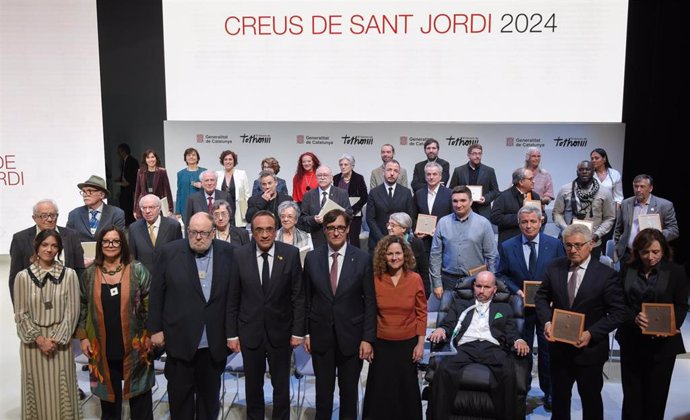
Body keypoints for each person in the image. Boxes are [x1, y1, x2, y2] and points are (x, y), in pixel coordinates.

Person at [535, 223, 627, 420]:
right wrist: (547, 322)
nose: (572, 250)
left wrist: (591, 333)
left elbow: (618, 312)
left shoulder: (606, 274)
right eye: (568, 245)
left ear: (590, 244)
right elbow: (541, 297)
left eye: (578, 245)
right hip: (559, 348)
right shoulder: (554, 267)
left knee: (591, 400)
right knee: (559, 400)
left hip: (590, 350)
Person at [148, 212, 235, 419]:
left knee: (209, 402)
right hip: (179, 340)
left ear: (213, 232)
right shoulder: (169, 252)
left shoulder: (230, 253)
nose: (198, 237)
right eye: (193, 232)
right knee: (180, 401)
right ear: (187, 231)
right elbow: (156, 293)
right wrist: (155, 329)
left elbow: (235, 296)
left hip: (213, 342)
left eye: (203, 233)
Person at [227, 210, 305, 420]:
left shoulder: (290, 254)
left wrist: (298, 331)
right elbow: (233, 297)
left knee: (281, 386)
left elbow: (298, 296)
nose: (264, 234)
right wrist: (232, 334)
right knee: (253, 386)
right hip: (250, 333)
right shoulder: (239, 255)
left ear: (275, 230)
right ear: (251, 232)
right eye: (259, 230)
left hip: (281, 332)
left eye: (269, 229)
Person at [303, 209, 376, 420]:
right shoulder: (312, 258)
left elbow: (370, 301)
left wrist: (367, 338)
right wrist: (306, 333)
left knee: (349, 394)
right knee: (323, 395)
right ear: (324, 230)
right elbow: (307, 298)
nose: (336, 233)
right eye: (332, 228)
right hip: (320, 336)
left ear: (348, 229)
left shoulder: (362, 259)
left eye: (341, 228)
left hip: (352, 337)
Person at [427, 271, 530, 420]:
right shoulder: (461, 304)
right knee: (444, 370)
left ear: (494, 289)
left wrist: (518, 340)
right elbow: (448, 324)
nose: (481, 291)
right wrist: (441, 330)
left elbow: (511, 332)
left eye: (487, 287)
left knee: (508, 373)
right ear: (473, 286)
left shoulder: (504, 308)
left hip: (492, 347)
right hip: (465, 347)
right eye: (478, 286)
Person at [76, 226, 155, 419]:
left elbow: (150, 303)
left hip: (136, 345)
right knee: (109, 403)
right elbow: (82, 305)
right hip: (102, 346)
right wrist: (83, 337)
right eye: (106, 241)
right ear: (100, 244)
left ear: (122, 244)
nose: (110, 245)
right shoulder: (90, 273)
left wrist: (151, 334)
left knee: (140, 398)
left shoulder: (137, 269)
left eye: (115, 241)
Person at [496, 205, 565, 410]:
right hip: (520, 309)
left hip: (547, 309)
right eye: (524, 222)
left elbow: (562, 273)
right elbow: (501, 274)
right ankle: (520, 391)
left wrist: (555, 295)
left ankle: (549, 392)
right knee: (520, 352)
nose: (529, 226)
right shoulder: (508, 246)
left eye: (533, 221)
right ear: (519, 223)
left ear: (541, 222)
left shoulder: (554, 245)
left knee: (548, 352)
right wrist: (517, 290)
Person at [616, 228, 688, 420]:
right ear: (637, 252)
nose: (650, 257)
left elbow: (681, 305)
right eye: (645, 252)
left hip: (662, 346)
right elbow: (619, 303)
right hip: (632, 341)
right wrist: (633, 318)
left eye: (655, 252)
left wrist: (671, 325)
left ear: (664, 250)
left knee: (656, 397)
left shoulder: (675, 272)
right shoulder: (627, 270)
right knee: (631, 397)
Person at [14, 229, 81, 419]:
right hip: (33, 346)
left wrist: (56, 339)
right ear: (36, 247)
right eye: (45, 245)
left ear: (59, 249)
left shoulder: (69, 275)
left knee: (62, 388)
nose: (49, 249)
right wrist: (40, 339)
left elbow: (72, 312)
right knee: (36, 389)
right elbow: (20, 314)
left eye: (54, 246)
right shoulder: (22, 277)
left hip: (60, 344)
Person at [362, 235, 427, 420]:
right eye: (389, 254)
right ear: (383, 256)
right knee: (379, 391)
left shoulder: (415, 279)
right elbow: (369, 311)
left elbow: (422, 313)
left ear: (405, 255)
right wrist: (367, 340)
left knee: (406, 390)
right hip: (381, 344)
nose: (394, 257)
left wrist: (420, 343)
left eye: (398, 253)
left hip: (407, 344)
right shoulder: (375, 279)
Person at [9, 199, 85, 306]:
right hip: (33, 304)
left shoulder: (71, 236)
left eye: (53, 215)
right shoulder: (20, 239)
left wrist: (81, 304)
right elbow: (15, 278)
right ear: (34, 218)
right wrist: (19, 310)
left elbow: (80, 271)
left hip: (68, 302)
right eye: (44, 216)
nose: (49, 219)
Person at [429, 186, 498, 299]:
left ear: (471, 201)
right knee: (448, 315)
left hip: (475, 281)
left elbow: (492, 256)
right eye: (455, 201)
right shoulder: (443, 222)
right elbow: (435, 255)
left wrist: (491, 283)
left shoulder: (483, 224)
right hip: (448, 281)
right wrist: (437, 283)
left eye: (463, 200)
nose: (458, 204)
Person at [552, 160, 615, 258]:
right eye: (581, 170)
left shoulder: (605, 192)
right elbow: (557, 213)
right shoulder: (565, 189)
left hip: (592, 242)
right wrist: (566, 229)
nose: (584, 172)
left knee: (591, 272)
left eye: (587, 169)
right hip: (568, 242)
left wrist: (597, 234)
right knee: (565, 271)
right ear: (577, 172)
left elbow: (609, 218)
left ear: (593, 171)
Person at [613, 174, 679, 263]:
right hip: (627, 254)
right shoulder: (625, 203)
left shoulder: (664, 205)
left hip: (650, 255)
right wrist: (618, 246)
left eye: (642, 187)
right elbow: (618, 229)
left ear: (650, 188)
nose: (638, 190)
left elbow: (674, 230)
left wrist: (656, 237)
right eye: (636, 186)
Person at [365, 159, 416, 251]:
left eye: (395, 171)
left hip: (400, 242)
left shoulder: (406, 193)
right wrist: (383, 239)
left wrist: (399, 236)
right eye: (389, 170)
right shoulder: (374, 193)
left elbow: (410, 217)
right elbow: (370, 219)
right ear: (384, 172)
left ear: (399, 174)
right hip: (377, 242)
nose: (392, 173)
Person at [298, 165, 352, 247]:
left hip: (337, 237)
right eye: (319, 175)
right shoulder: (308, 195)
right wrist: (314, 219)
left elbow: (349, 215)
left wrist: (333, 219)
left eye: (325, 175)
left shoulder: (341, 193)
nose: (322, 178)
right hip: (317, 239)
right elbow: (302, 218)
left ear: (331, 178)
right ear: (316, 178)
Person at [129, 194, 183, 273]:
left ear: (159, 208)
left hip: (167, 276)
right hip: (144, 278)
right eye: (144, 208)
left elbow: (178, 254)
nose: (147, 211)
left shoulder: (173, 226)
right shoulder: (134, 228)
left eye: (151, 207)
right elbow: (132, 257)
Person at [448, 143, 500, 220]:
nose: (477, 156)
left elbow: (495, 191)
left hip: (482, 211)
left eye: (479, 153)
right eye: (474, 153)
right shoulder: (459, 170)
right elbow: (452, 189)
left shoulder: (489, 171)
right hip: (462, 209)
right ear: (468, 155)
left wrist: (485, 198)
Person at [490, 167, 542, 244]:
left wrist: (542, 218)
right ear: (521, 182)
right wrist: (520, 218)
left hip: (533, 241)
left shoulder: (535, 196)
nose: (533, 181)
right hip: (510, 241)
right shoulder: (503, 197)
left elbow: (542, 214)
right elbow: (495, 217)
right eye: (530, 179)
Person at [67, 175, 126, 242]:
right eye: (84, 191)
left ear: (101, 195)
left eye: (90, 191)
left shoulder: (116, 214)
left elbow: (119, 240)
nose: (85, 194)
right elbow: (68, 241)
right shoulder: (74, 215)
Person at [387, 212, 431, 298]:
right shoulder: (385, 243)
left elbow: (424, 270)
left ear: (403, 228)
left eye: (393, 225)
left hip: (412, 290)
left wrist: (425, 293)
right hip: (392, 290)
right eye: (388, 224)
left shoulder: (416, 243)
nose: (389, 228)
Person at [413, 161, 453, 253]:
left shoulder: (449, 194)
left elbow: (453, 217)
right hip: (423, 242)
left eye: (435, 174)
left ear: (440, 176)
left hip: (443, 241)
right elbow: (413, 215)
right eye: (428, 174)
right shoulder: (418, 194)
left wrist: (440, 230)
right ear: (425, 176)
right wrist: (416, 229)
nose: (431, 177)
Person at [333, 153, 368, 248]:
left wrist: (352, 210)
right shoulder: (335, 178)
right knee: (339, 239)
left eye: (346, 164)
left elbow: (365, 197)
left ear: (352, 166)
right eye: (341, 165)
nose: (343, 167)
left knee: (353, 241)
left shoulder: (359, 178)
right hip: (339, 215)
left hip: (354, 215)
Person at [133, 148, 174, 219]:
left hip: (158, 205)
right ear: (145, 160)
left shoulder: (162, 172)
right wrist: (135, 210)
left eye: (152, 157)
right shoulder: (141, 172)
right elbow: (137, 191)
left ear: (156, 158)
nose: (150, 160)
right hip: (145, 204)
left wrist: (170, 209)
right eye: (148, 157)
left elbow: (167, 191)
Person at [215, 150, 250, 228]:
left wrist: (246, 211)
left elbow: (247, 194)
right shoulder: (217, 174)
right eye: (225, 159)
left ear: (234, 161)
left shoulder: (242, 174)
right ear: (222, 161)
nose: (228, 162)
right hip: (221, 209)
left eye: (230, 159)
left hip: (238, 210)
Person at [175, 147, 206, 220]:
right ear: (185, 158)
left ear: (197, 158)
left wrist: (202, 186)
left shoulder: (204, 172)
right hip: (185, 207)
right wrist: (177, 211)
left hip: (200, 206)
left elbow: (210, 188)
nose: (191, 157)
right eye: (188, 155)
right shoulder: (180, 174)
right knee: (187, 229)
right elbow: (179, 192)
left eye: (193, 155)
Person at [116, 143, 139, 226]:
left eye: (119, 151)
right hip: (125, 188)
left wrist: (128, 183)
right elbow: (125, 174)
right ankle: (126, 223)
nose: (118, 153)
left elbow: (134, 175)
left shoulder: (132, 161)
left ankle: (130, 224)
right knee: (123, 205)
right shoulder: (124, 161)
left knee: (128, 207)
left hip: (130, 188)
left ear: (123, 151)